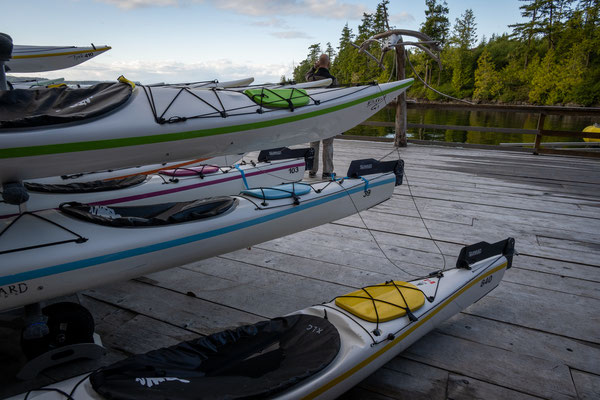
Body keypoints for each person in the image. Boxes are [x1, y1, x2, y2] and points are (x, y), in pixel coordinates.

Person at [305, 54, 338, 179]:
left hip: (314, 116)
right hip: (328, 117)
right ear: (328, 64)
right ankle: (327, 171)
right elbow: (337, 98)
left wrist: (314, 67)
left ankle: (312, 171)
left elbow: (306, 75)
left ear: (319, 63)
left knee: (314, 144)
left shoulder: (312, 78)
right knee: (328, 144)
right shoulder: (333, 80)